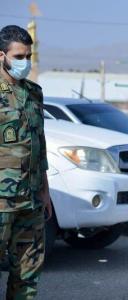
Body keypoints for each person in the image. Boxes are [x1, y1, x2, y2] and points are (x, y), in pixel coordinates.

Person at [0, 25, 52, 299]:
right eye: (19, 56)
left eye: (28, 56)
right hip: (1, 201)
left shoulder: (34, 92)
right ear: (1, 56)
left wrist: (45, 189)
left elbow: (39, 145)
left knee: (28, 274)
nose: (25, 62)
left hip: (30, 200)